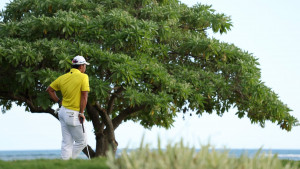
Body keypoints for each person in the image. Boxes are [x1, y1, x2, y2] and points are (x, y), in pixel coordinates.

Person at [46, 55, 90, 160]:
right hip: (73, 114)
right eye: (85, 65)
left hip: (62, 112)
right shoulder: (83, 77)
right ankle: (67, 162)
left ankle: (64, 164)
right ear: (81, 66)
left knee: (67, 142)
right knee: (82, 142)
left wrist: (58, 101)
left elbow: (49, 90)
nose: (85, 68)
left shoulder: (63, 77)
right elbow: (84, 95)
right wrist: (82, 113)